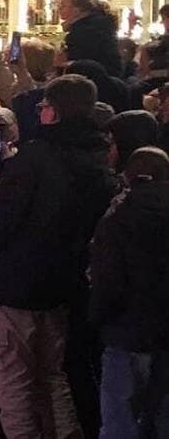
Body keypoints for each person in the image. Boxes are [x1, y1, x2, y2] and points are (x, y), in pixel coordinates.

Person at [0, 74, 118, 439]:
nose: (41, 113)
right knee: (53, 375)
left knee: (14, 383)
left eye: (45, 106)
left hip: (16, 283)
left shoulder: (38, 157)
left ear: (56, 112)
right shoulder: (98, 161)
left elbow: (0, 221)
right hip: (61, 285)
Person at [88, 147, 169, 439]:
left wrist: (96, 321)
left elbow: (107, 281)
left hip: (126, 332)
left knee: (120, 422)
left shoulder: (118, 217)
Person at [61, 0, 122, 77]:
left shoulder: (85, 31)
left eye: (63, 6)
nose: (59, 10)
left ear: (77, 9)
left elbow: (80, 64)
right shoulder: (98, 24)